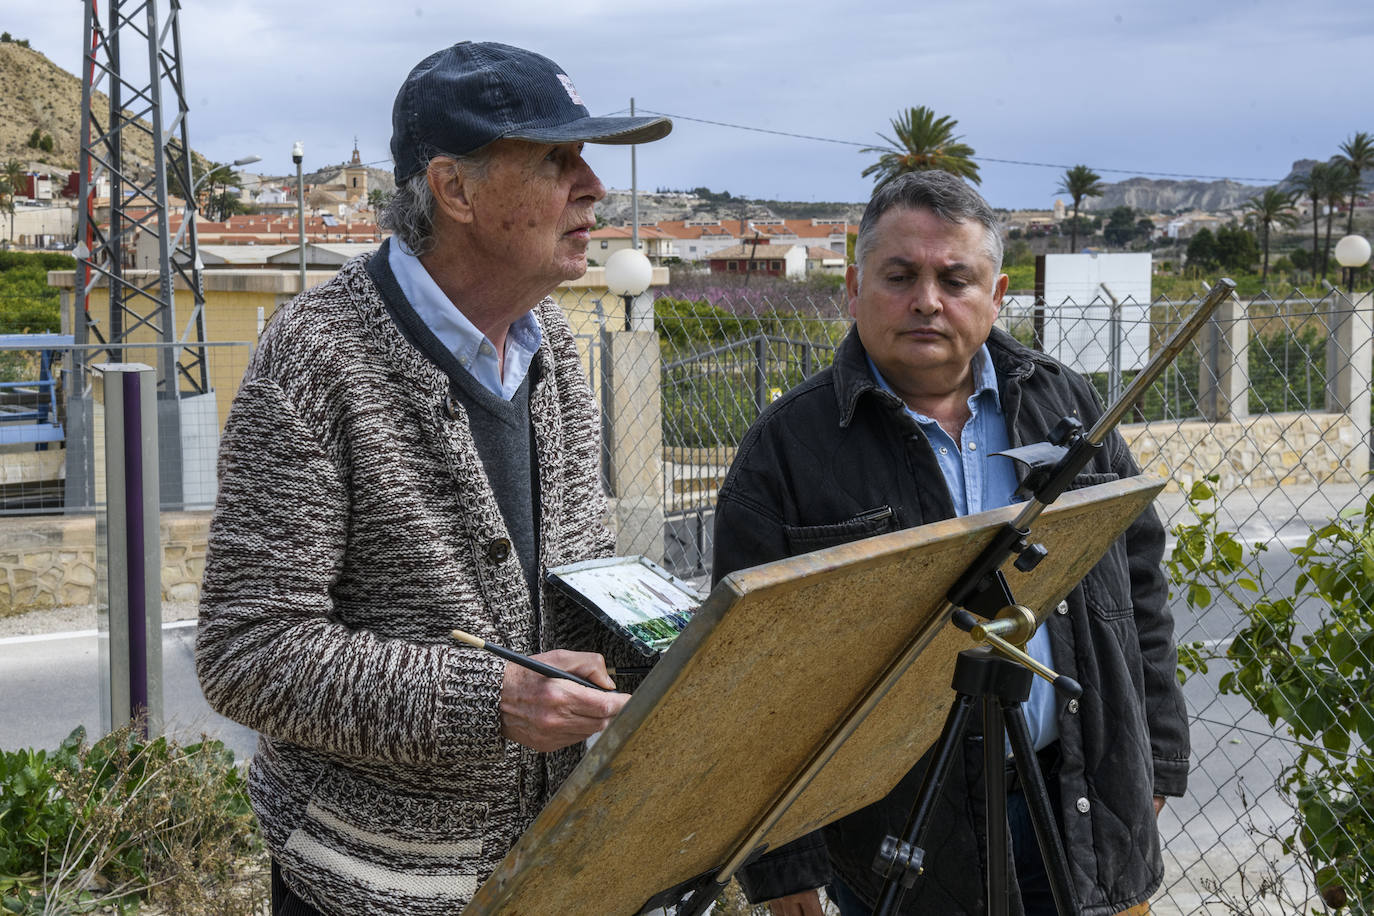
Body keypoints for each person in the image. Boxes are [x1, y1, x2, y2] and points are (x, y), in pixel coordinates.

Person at [196, 41, 670, 916]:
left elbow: (576, 579)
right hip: (367, 883)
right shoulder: (315, 357)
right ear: (455, 190)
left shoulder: (552, 345)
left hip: (555, 867)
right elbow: (246, 653)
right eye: (558, 159)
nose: (595, 185)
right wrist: (490, 699)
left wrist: (673, 646)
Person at [712, 170, 1190, 916]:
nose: (927, 300)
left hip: (1076, 804)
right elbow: (746, 676)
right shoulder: (787, 451)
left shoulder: (1069, 404)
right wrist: (785, 865)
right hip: (900, 837)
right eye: (900, 275)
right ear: (854, 285)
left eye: (954, 278)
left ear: (996, 296)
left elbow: (1138, 586)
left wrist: (1154, 760)